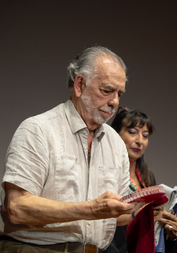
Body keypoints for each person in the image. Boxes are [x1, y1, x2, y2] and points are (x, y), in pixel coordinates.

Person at [0, 46, 144, 252]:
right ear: (79, 84)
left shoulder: (116, 143)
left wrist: (139, 209)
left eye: (119, 93)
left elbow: (115, 215)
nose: (115, 102)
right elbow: (17, 208)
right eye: (107, 90)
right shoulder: (38, 130)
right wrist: (91, 209)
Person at [103, 108, 177, 253]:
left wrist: (169, 233)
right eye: (132, 132)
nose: (140, 141)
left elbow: (150, 232)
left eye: (145, 135)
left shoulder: (147, 178)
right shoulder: (105, 173)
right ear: (115, 134)